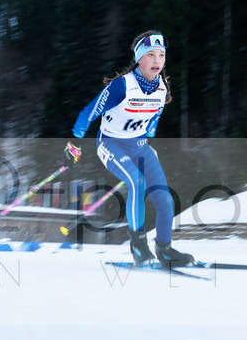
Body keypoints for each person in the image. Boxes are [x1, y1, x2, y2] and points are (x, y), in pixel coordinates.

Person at [70, 30, 194, 267]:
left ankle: (165, 250)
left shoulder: (162, 90)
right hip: (111, 145)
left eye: (161, 55)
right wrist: (75, 141)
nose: (157, 60)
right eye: (151, 55)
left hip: (139, 147)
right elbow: (89, 112)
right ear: (139, 59)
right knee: (136, 183)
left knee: (165, 199)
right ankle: (138, 248)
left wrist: (150, 141)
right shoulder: (121, 86)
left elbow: (152, 124)